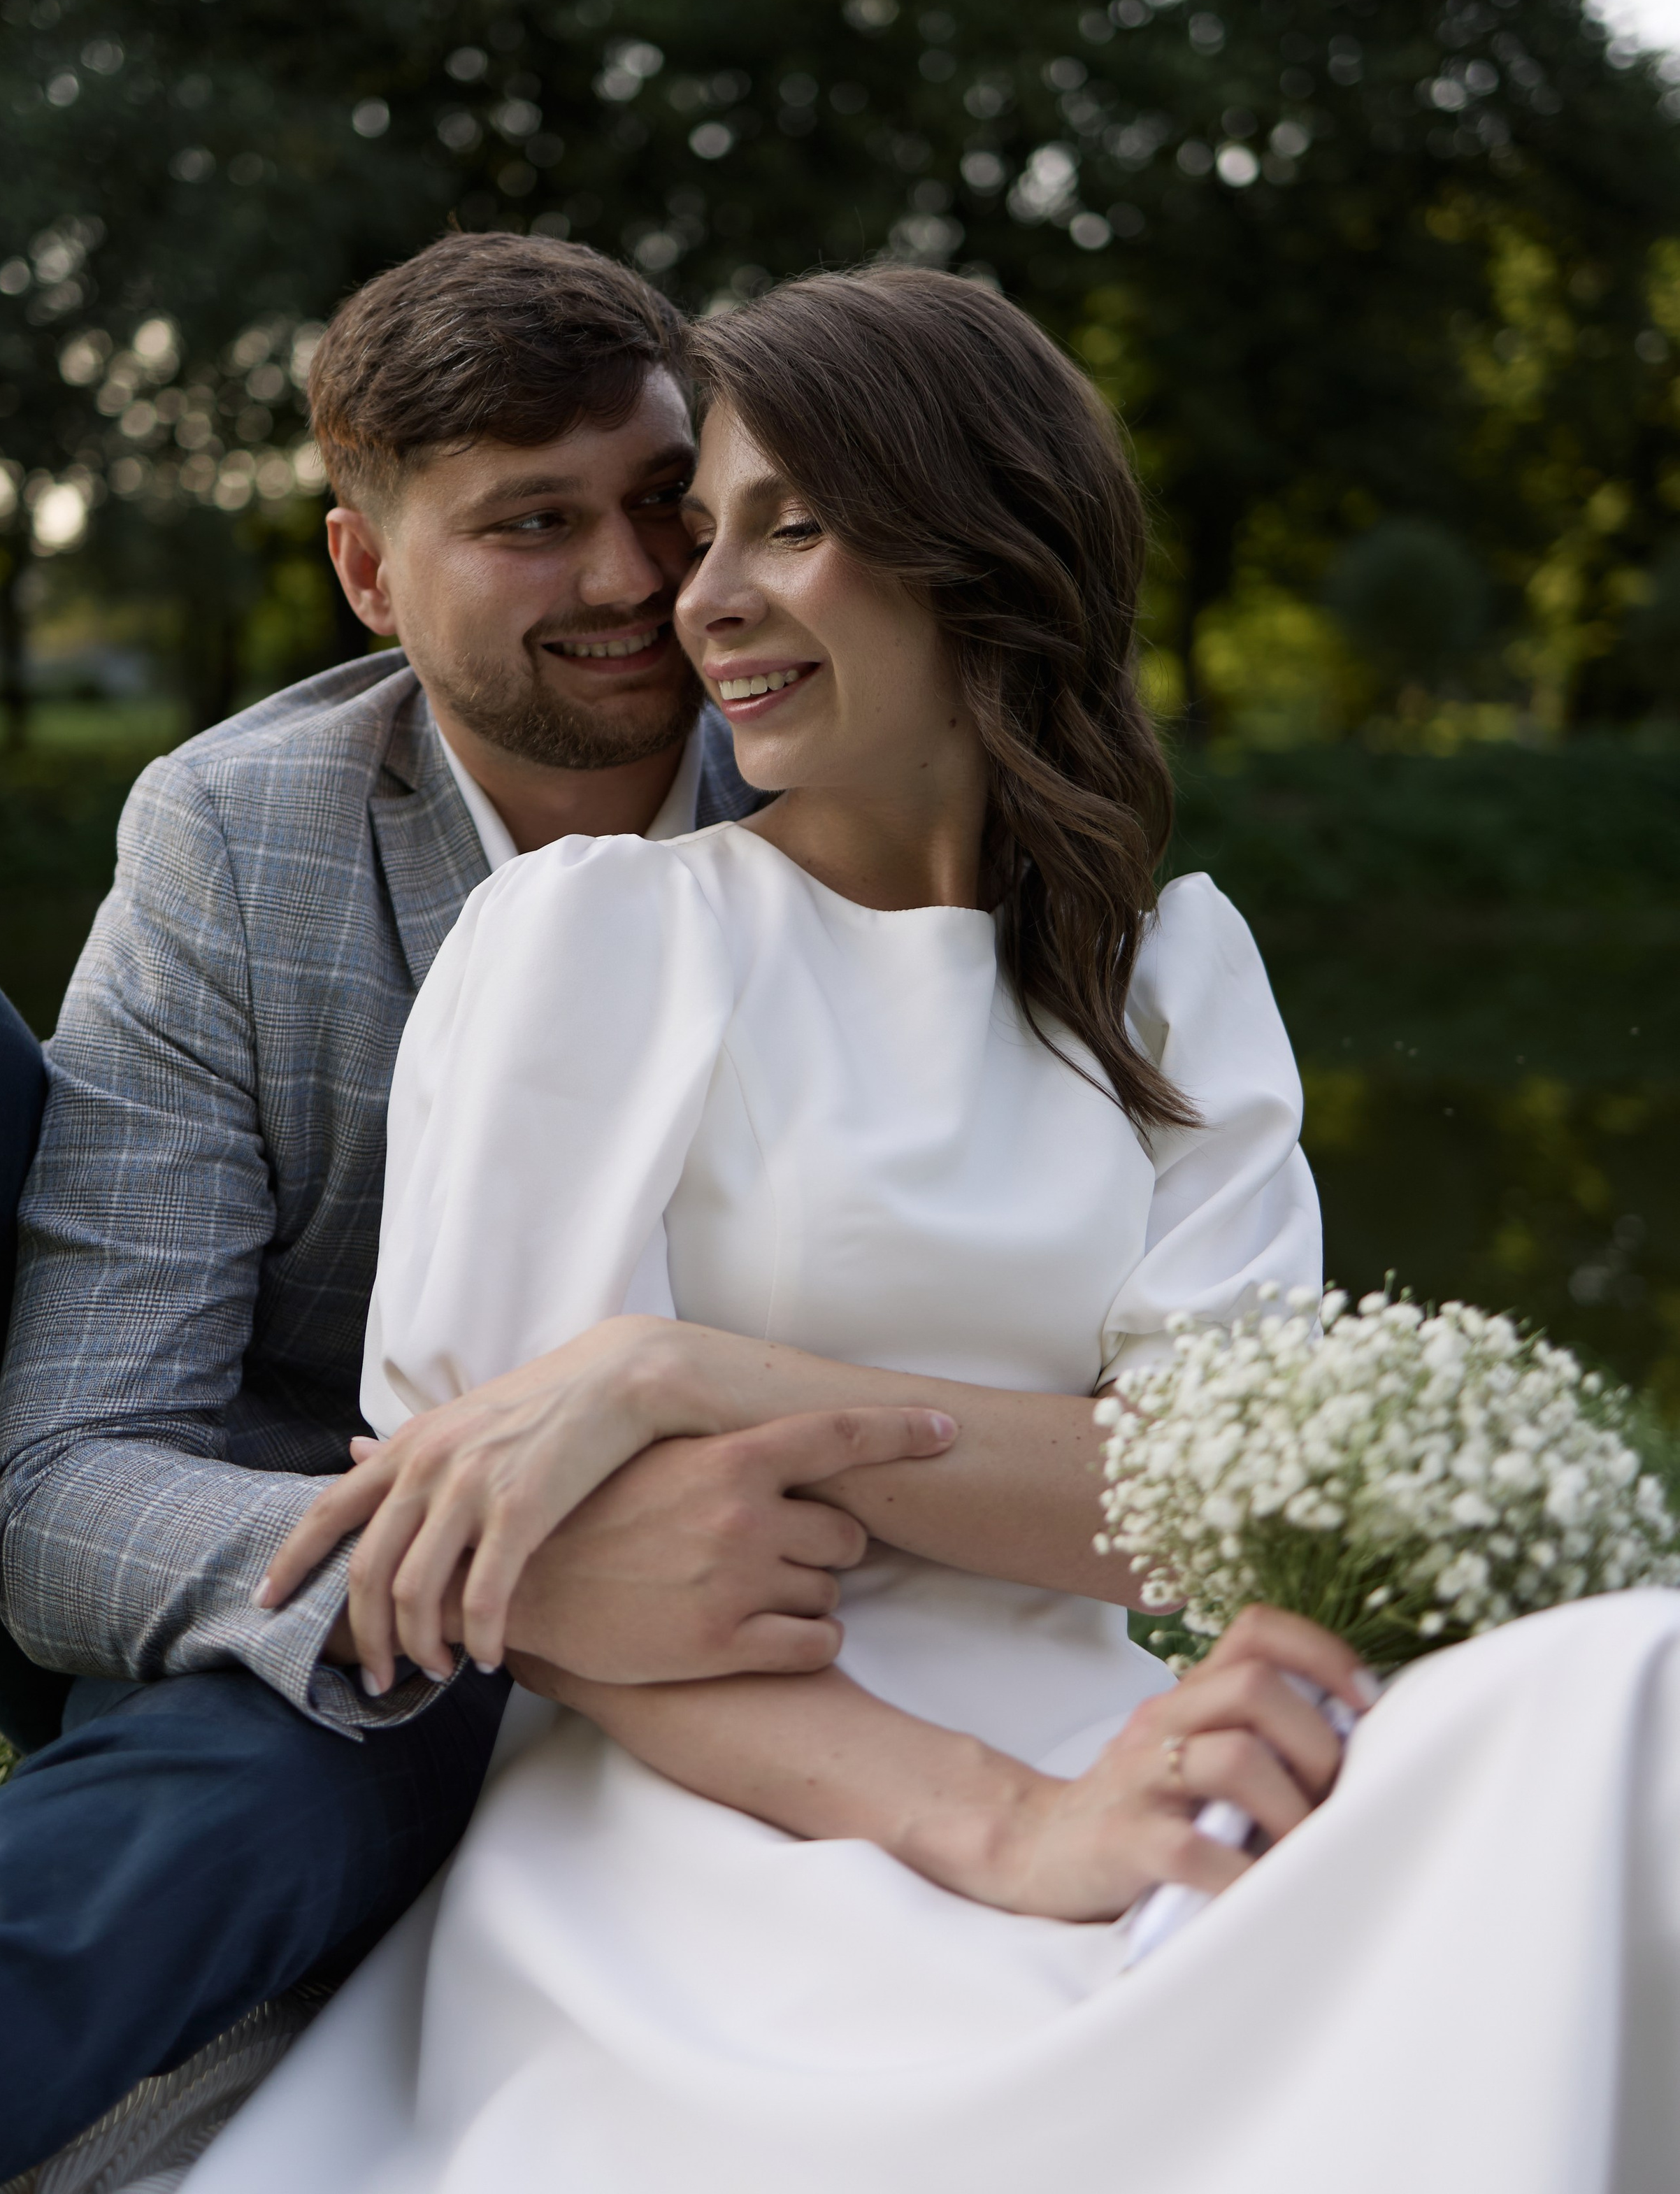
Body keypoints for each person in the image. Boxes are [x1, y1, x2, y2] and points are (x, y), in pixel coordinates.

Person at [185, 266, 1680, 2194]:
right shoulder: (603, 941)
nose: (699, 596)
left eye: (788, 527)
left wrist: (687, 1375)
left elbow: (1213, 1497)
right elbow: (507, 1555)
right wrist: (1004, 1825)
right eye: (702, 529)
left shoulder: (1173, 979)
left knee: (1624, 1684)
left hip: (1124, 1720)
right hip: (725, 1809)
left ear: (982, 551)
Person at [0, 234, 949, 2194]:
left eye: (661, 501)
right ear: (372, 575)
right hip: (293, 1581)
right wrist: (486, 1582)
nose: (637, 582)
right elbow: (61, 1484)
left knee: (268, 1786)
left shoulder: (851, 774)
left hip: (744, 1592)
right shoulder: (237, 832)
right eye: (534, 527)